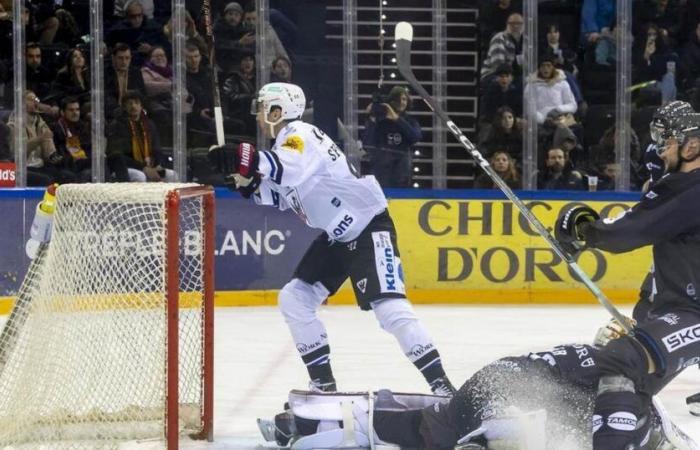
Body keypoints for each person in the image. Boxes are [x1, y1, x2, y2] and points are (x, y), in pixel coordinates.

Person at [208, 82, 454, 395]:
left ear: (278, 111)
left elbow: (288, 169)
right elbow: (283, 194)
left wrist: (243, 157)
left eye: (262, 108)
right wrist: (248, 184)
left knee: (390, 310)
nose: (258, 115)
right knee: (294, 299)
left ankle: (443, 387)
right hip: (338, 236)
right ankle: (323, 386)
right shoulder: (287, 143)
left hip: (368, 228)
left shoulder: (300, 135)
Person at [554, 112, 700, 448]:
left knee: (621, 360)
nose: (660, 150)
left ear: (691, 147)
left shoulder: (687, 189)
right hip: (679, 309)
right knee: (620, 375)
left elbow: (630, 231)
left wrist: (587, 232)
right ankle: (657, 439)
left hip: (693, 314)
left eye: (668, 143)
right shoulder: (681, 187)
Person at [257, 342, 697, 449]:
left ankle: (303, 422)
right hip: (502, 396)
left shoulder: (611, 364)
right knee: (513, 433)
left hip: (489, 384)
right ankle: (486, 438)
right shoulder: (630, 400)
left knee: (423, 429)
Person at [105, 90, 177, 182]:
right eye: (129, 103)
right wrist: (143, 167)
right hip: (126, 167)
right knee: (140, 176)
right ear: (124, 107)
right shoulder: (118, 125)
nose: (133, 106)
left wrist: (158, 164)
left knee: (172, 175)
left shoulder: (149, 124)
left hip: (150, 166)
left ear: (141, 106)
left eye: (136, 103)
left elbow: (157, 149)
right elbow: (118, 155)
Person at [361, 85, 422, 188]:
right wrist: (370, 119)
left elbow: (415, 137)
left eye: (404, 99)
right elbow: (367, 143)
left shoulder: (410, 121)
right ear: (391, 101)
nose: (402, 102)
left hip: (402, 174)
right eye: (398, 99)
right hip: (381, 173)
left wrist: (397, 119)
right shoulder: (380, 122)